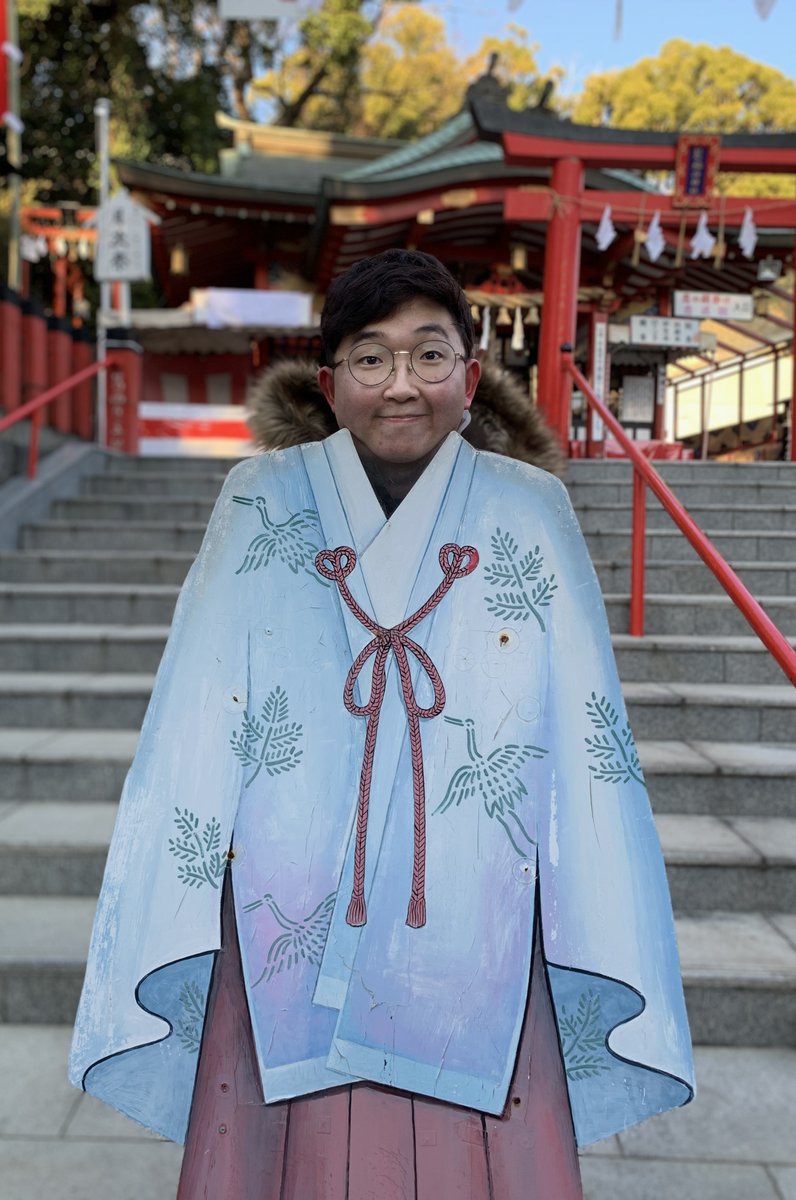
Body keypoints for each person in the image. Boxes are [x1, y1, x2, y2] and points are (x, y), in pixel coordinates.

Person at [70, 250, 694, 1199]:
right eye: (370, 358)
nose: (400, 384)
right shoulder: (258, 502)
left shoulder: (532, 510)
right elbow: (193, 716)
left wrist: (595, 899)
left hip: (479, 908)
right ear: (330, 382)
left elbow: (584, 735)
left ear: (472, 379)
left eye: (429, 355)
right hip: (291, 901)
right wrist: (185, 875)